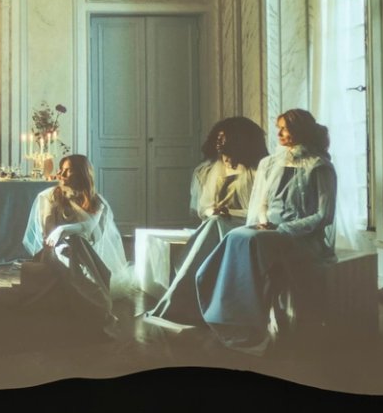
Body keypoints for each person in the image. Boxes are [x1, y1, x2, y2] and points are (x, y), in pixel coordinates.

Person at [191, 108, 338, 353]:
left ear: (300, 130)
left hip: (301, 237)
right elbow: (262, 202)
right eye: (278, 128)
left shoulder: (319, 166)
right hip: (267, 229)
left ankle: (248, 323)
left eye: (284, 128)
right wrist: (262, 221)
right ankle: (224, 309)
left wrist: (284, 229)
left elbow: (324, 215)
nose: (278, 133)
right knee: (236, 236)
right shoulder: (270, 163)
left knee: (250, 241)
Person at [149, 115, 272, 323]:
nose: (218, 142)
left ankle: (191, 294)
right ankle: (189, 295)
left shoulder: (257, 170)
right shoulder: (210, 169)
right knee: (214, 223)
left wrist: (230, 214)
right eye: (218, 137)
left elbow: (259, 209)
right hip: (217, 222)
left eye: (224, 138)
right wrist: (213, 211)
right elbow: (203, 207)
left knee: (215, 225)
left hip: (245, 223)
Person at [20, 154, 133, 332]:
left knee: (77, 242)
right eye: (61, 169)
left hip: (84, 251)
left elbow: (89, 228)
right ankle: (99, 308)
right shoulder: (49, 196)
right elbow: (49, 235)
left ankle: (97, 306)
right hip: (55, 250)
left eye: (68, 171)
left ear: (82, 174)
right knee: (70, 246)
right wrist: (60, 234)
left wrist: (63, 229)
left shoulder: (97, 201)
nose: (61, 174)